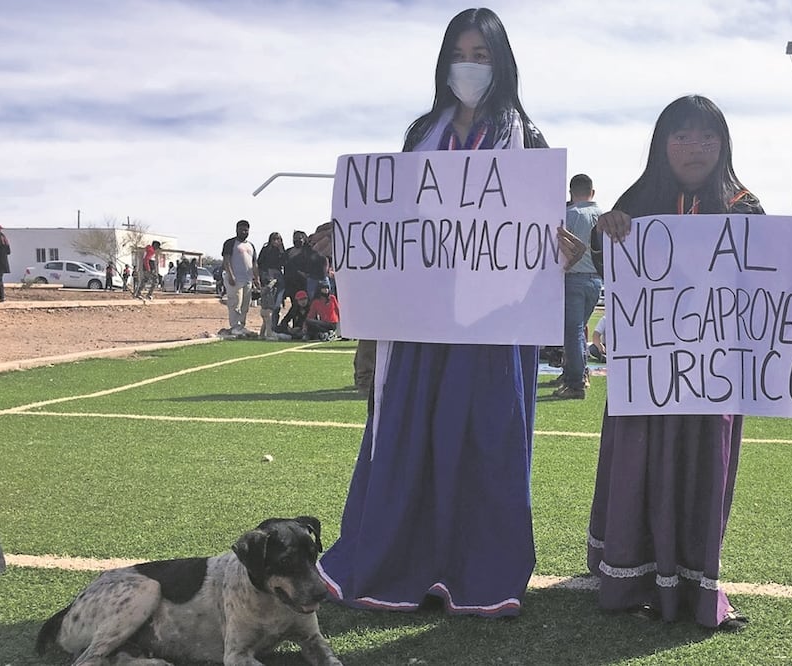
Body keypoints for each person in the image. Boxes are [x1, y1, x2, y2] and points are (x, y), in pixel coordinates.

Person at [587, 95, 792, 631]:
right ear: (662, 143)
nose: (695, 148)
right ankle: (630, 580)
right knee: (638, 468)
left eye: (707, 137)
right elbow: (614, 273)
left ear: (724, 144)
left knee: (702, 473)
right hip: (650, 374)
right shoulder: (637, 200)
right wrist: (607, 233)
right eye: (682, 136)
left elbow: (781, 278)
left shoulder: (744, 206)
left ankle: (696, 584)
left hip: (715, 374)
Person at [316, 7, 548, 618]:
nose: (469, 67)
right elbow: (392, 217)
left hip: (494, 326)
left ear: (501, 64)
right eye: (460, 55)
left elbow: (532, 232)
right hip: (420, 319)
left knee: (487, 439)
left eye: (481, 56)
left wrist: (561, 247)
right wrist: (348, 235)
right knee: (410, 433)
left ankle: (481, 569)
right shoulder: (422, 132)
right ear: (444, 63)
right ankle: (399, 558)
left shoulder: (527, 138)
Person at [553, 174, 604, 399]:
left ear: (571, 192)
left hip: (573, 278)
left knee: (572, 332)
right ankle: (578, 374)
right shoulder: (603, 215)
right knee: (579, 329)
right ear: (592, 192)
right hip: (596, 280)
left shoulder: (568, 215)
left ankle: (575, 383)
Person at [221, 219, 259, 336]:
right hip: (235, 279)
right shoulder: (230, 243)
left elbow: (254, 263)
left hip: (247, 279)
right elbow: (226, 260)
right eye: (241, 229)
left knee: (245, 305)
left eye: (246, 230)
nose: (243, 232)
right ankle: (235, 326)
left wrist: (256, 278)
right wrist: (231, 275)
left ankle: (241, 326)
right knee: (235, 303)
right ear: (237, 229)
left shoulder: (251, 245)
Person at [258, 232, 287, 335]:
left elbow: (285, 263)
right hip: (268, 278)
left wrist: (281, 251)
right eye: (274, 239)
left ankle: (273, 327)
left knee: (277, 305)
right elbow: (260, 263)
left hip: (279, 279)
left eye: (278, 239)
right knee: (268, 307)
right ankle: (266, 329)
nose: (276, 241)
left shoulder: (282, 251)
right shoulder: (266, 250)